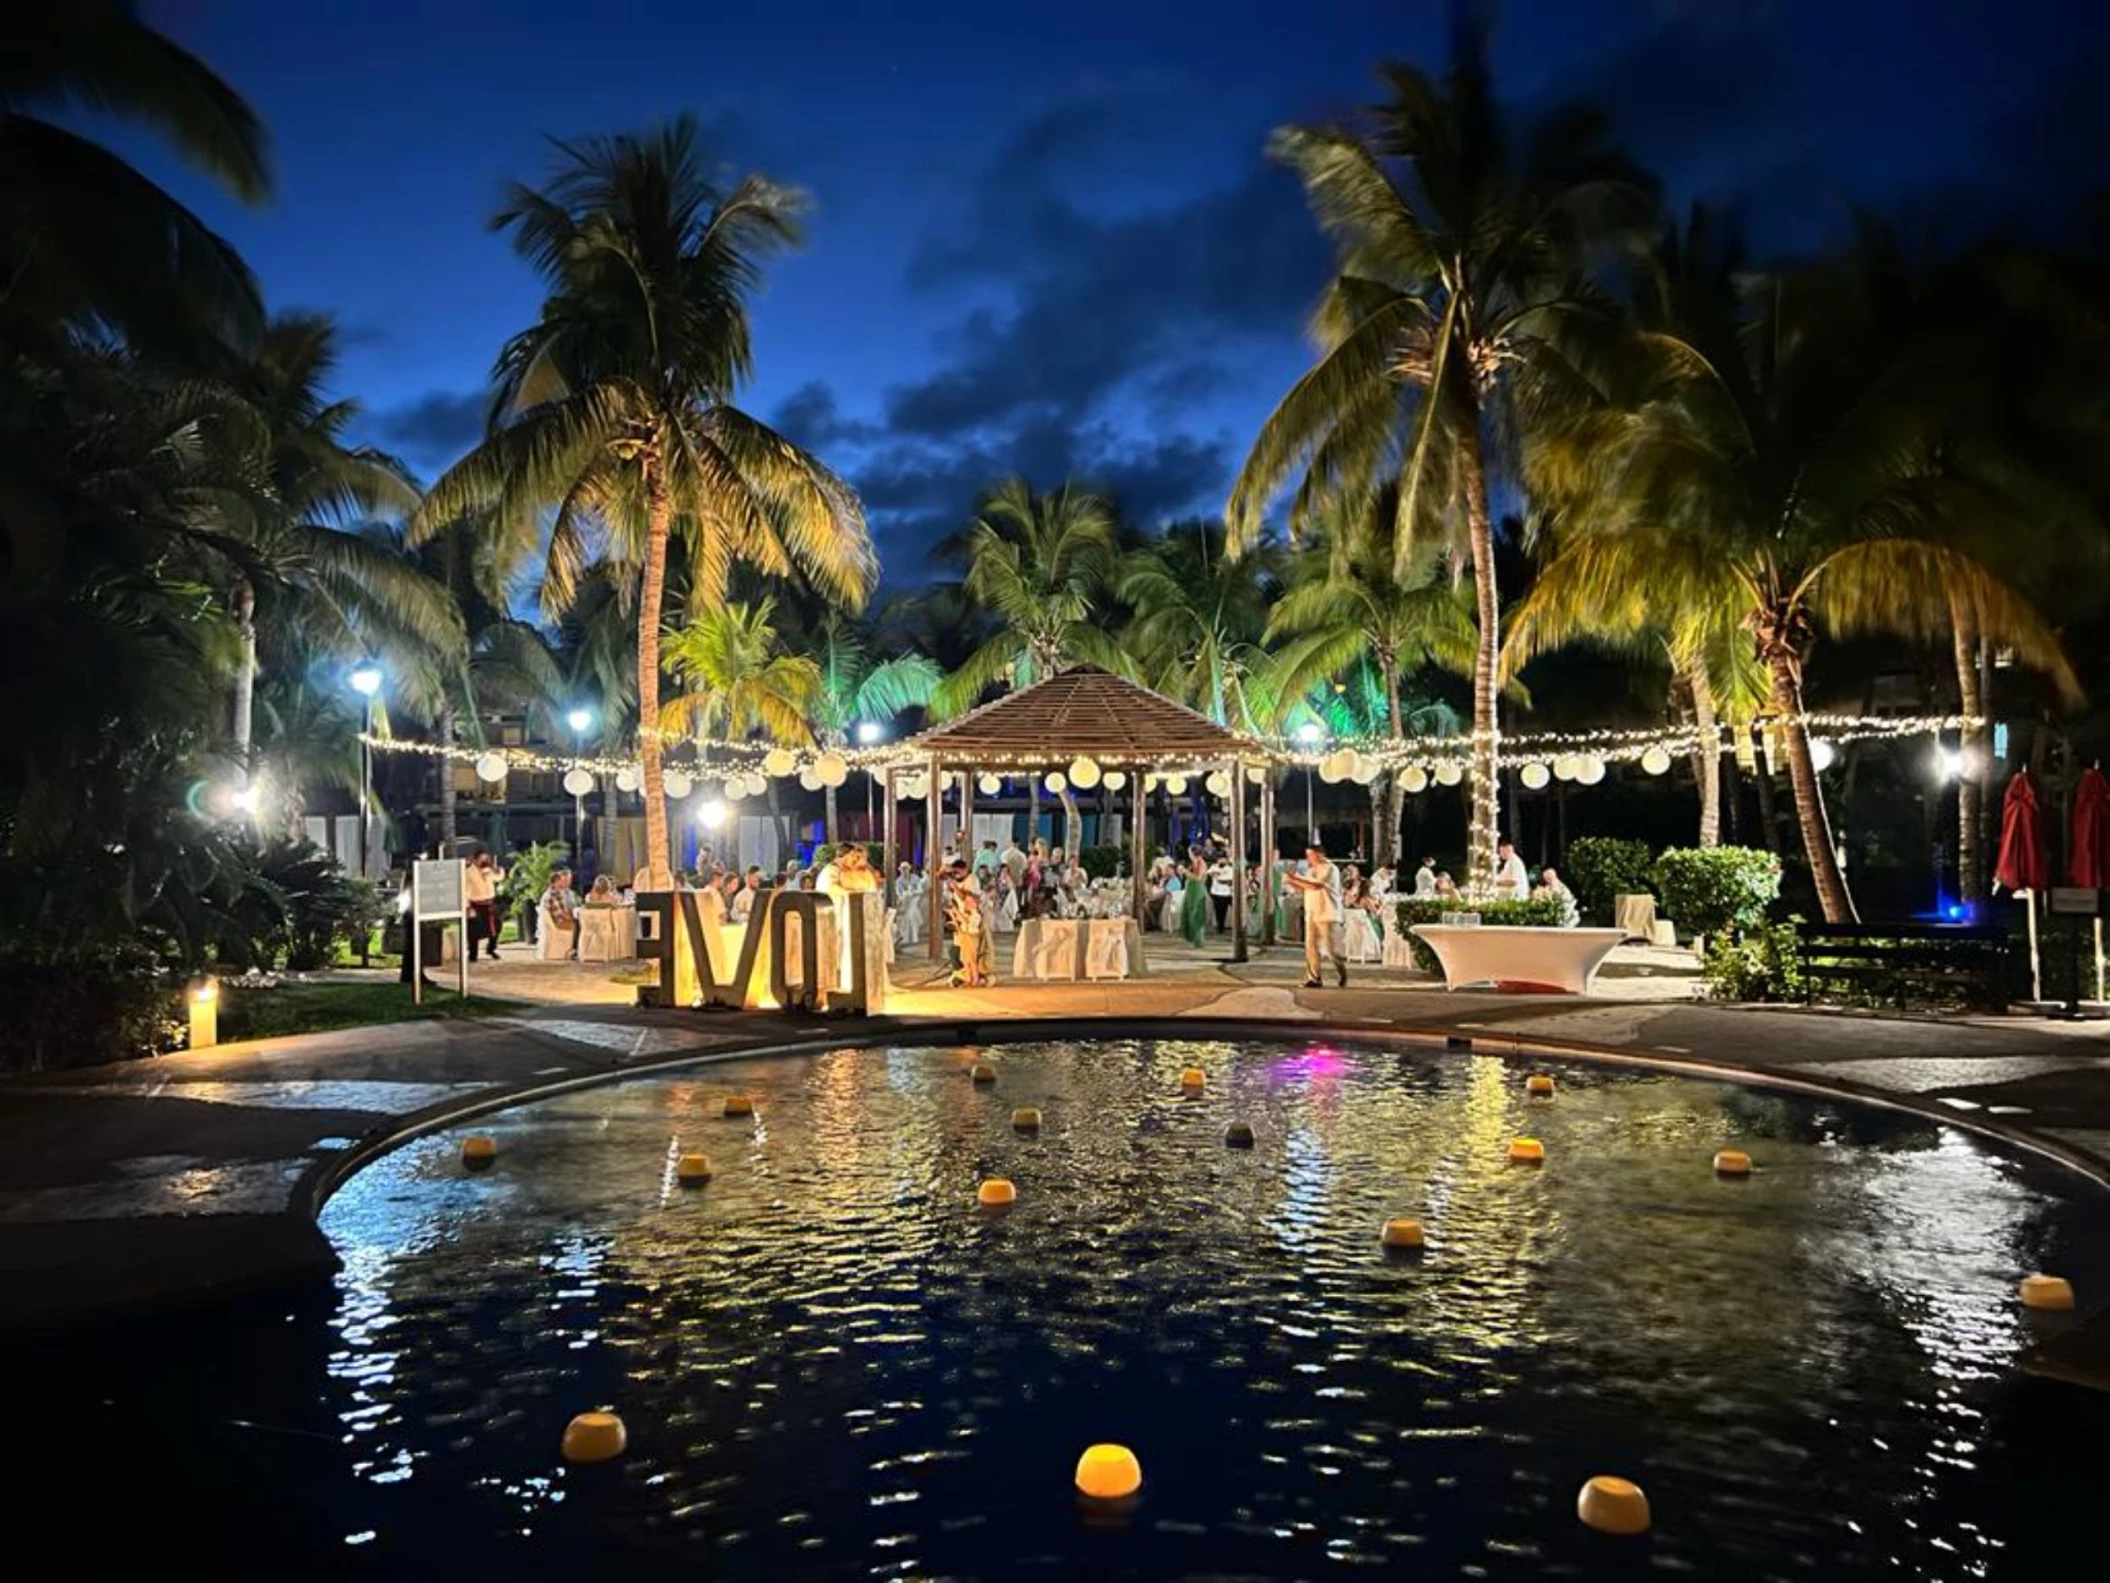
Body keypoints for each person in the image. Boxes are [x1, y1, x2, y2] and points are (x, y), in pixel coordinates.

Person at [1286, 842, 1347, 987]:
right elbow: (1306, 888)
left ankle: (1342, 972)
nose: (1309, 858)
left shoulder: (1330, 868)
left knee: (1331, 949)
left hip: (1328, 912)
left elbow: (1317, 885)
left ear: (1320, 854)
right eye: (1307, 855)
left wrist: (1295, 879)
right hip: (1312, 912)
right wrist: (1292, 882)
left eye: (1311, 855)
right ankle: (1314, 978)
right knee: (1311, 947)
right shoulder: (1311, 870)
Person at [464, 850, 505, 960]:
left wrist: (498, 870)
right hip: (476, 904)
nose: (484, 861)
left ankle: (491, 949)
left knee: (496, 926)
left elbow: (498, 878)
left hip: (489, 903)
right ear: (475, 859)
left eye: (486, 859)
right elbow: (463, 890)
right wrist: (467, 906)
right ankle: (473, 954)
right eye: (482, 859)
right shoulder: (468, 873)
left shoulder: (488, 870)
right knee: (474, 929)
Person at [538, 867, 579, 960]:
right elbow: (560, 913)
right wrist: (570, 918)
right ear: (556, 882)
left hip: (556, 920)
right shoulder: (553, 894)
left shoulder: (554, 893)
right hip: (557, 922)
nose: (563, 883)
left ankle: (573, 949)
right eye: (561, 880)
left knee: (576, 922)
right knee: (577, 924)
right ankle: (573, 950)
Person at [1179, 844, 1210, 948]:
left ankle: (1198, 940)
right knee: (1188, 912)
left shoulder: (1201, 863)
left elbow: (1199, 878)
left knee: (1196, 914)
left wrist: (1186, 872)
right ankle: (1191, 938)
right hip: (1191, 890)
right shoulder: (1193, 863)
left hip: (1197, 890)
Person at [1207, 850, 1235, 932]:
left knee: (1224, 910)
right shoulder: (1213, 867)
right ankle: (1220, 926)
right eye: (1219, 859)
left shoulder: (1229, 868)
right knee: (1218, 910)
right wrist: (1214, 873)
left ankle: (1223, 926)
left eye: (1223, 859)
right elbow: (1208, 873)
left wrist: (1220, 879)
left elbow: (1230, 880)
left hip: (1225, 893)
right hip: (1215, 892)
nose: (1221, 860)